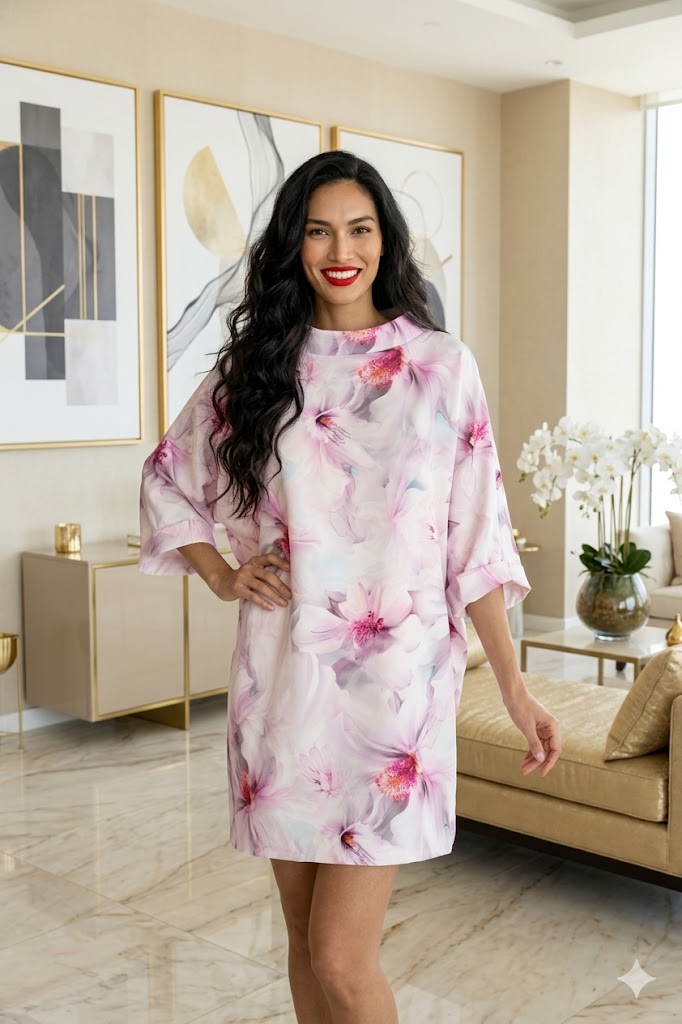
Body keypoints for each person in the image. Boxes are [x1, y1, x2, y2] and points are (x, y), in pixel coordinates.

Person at [139, 150, 562, 1024]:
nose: (342, 250)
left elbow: (476, 541)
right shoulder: (258, 370)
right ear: (293, 245)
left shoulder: (440, 366)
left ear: (385, 240)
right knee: (302, 943)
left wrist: (515, 690)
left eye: (360, 229)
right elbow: (168, 474)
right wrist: (221, 574)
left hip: (396, 697)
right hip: (283, 682)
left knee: (341, 956)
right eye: (319, 230)